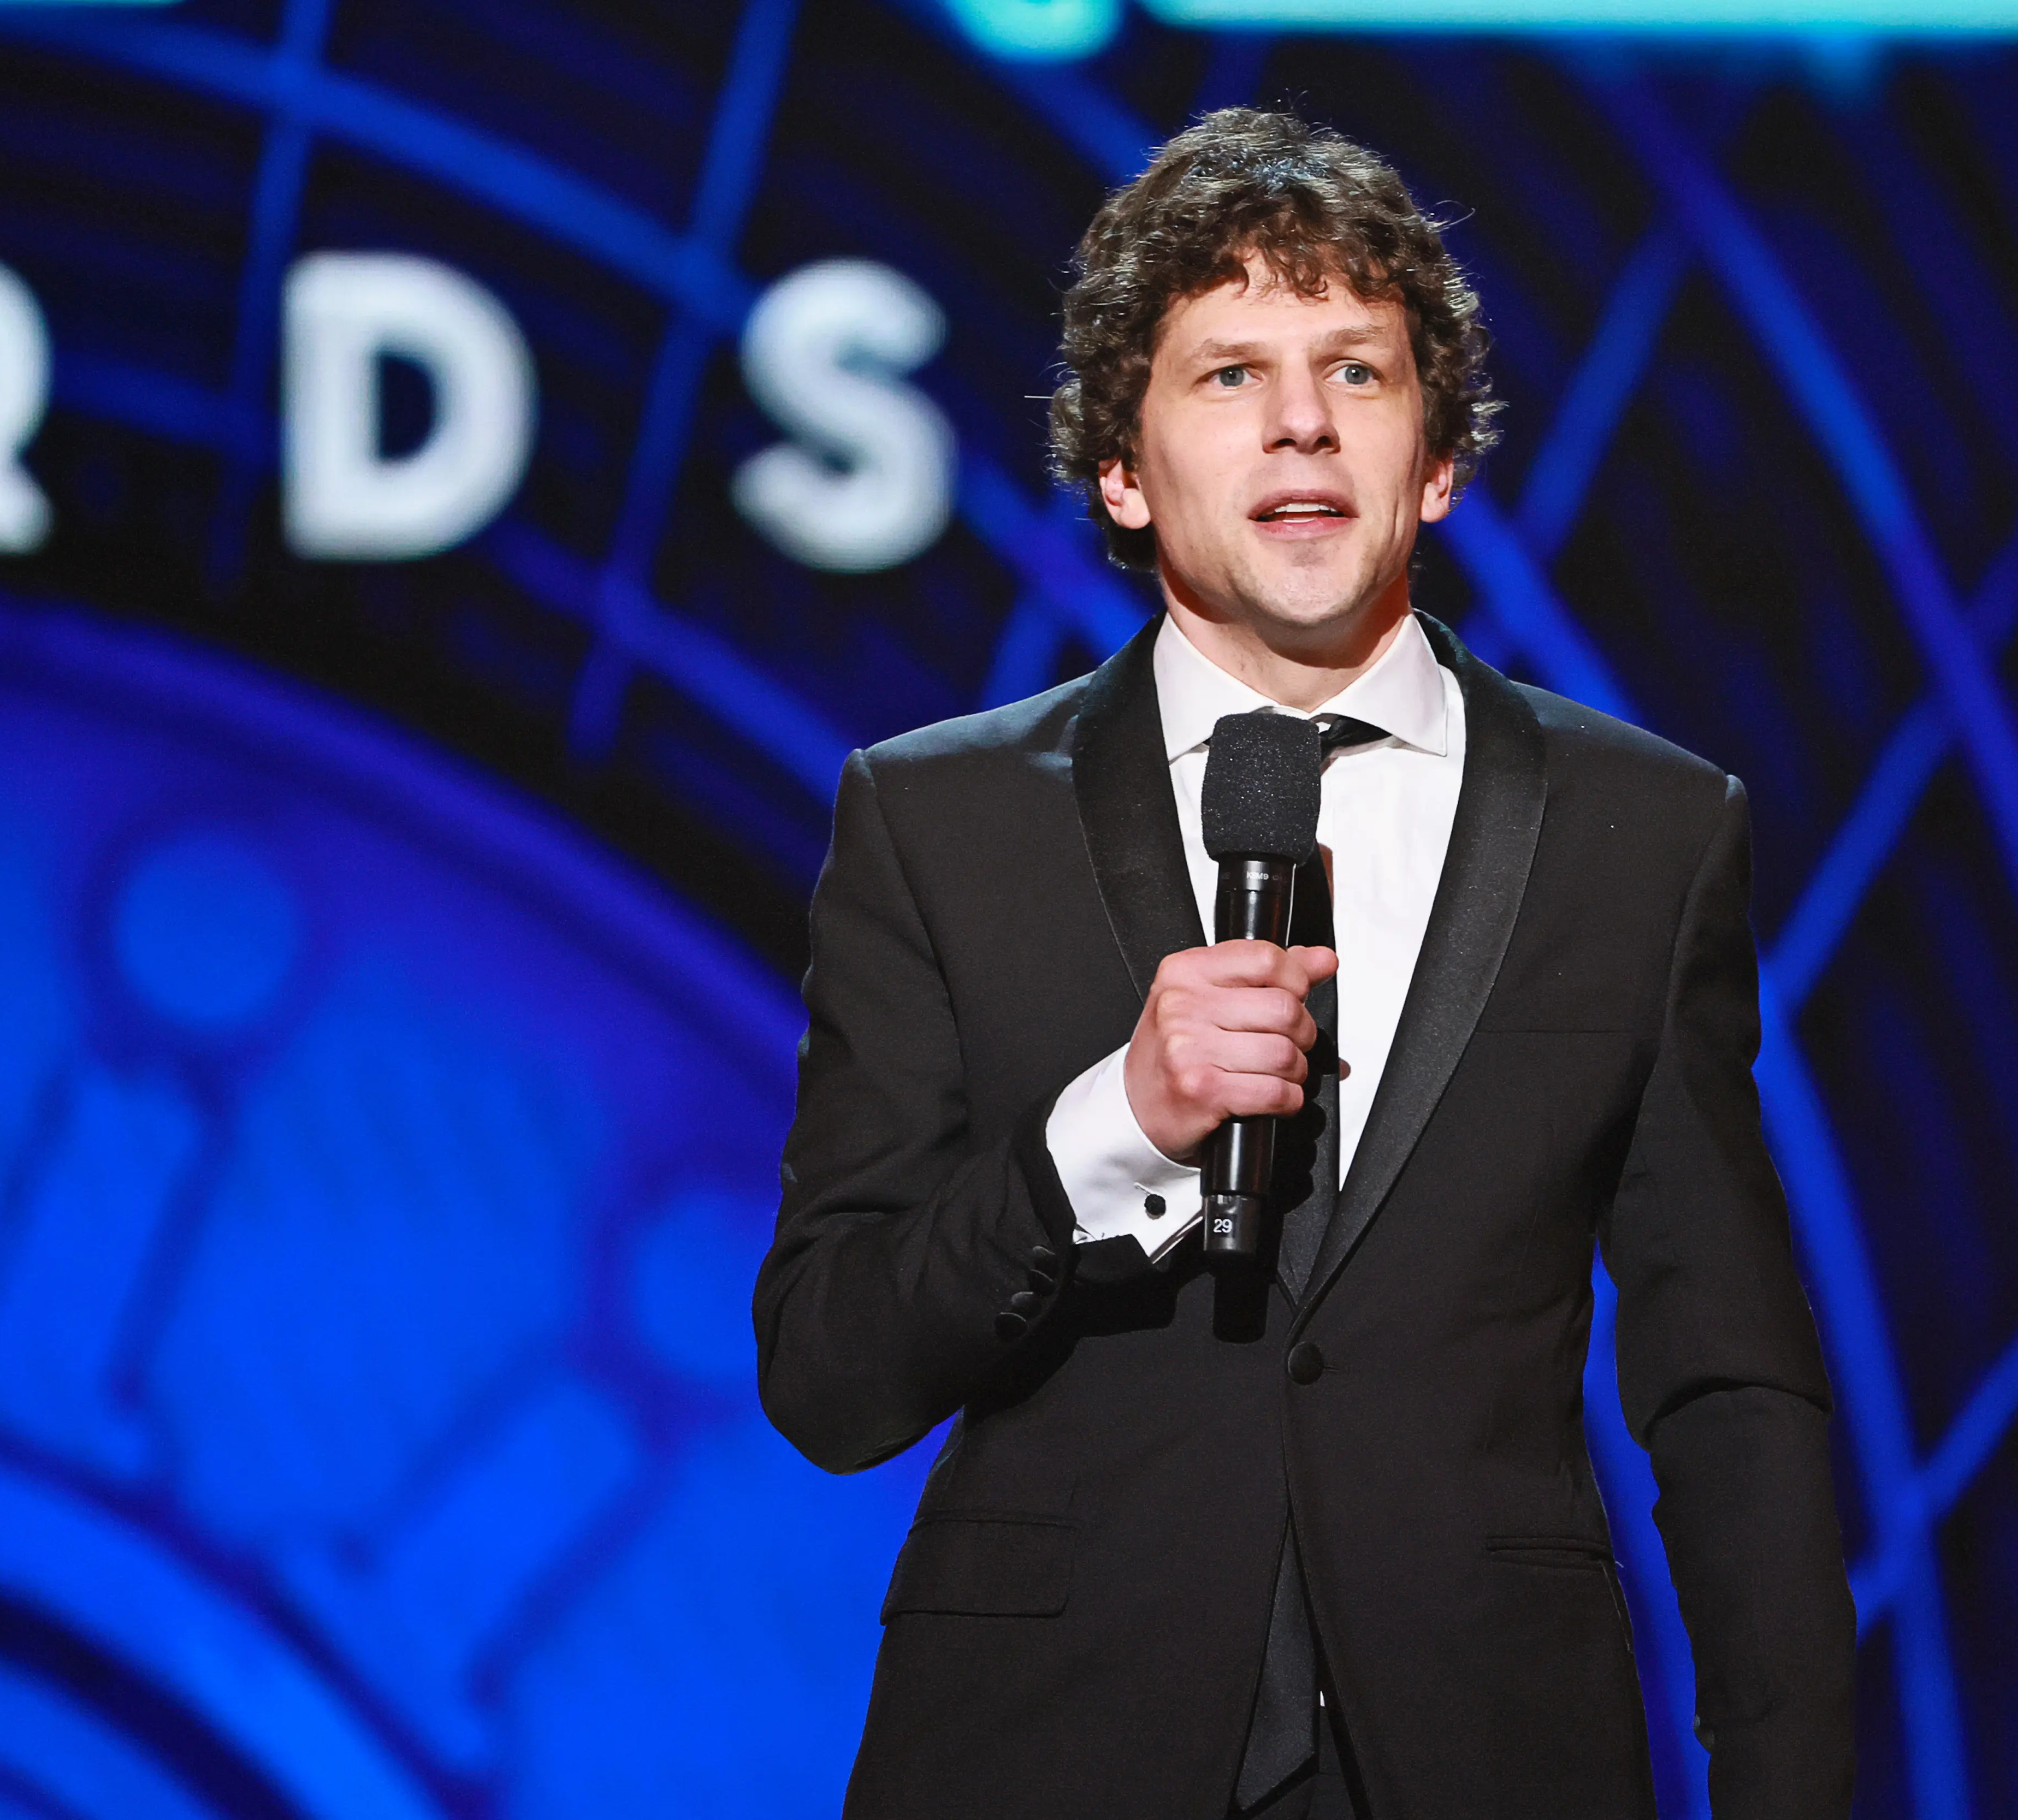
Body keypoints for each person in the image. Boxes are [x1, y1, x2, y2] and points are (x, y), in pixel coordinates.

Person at [754, 106, 1855, 1819]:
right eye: (1228, 374)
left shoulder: (1645, 830)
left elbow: (1730, 1378)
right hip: (1048, 1748)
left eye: (1356, 371)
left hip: (1487, 1746)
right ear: (1123, 466)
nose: (1298, 424)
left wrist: (1788, 1786)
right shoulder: (938, 820)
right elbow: (830, 1366)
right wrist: (1109, 1128)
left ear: (1436, 458)